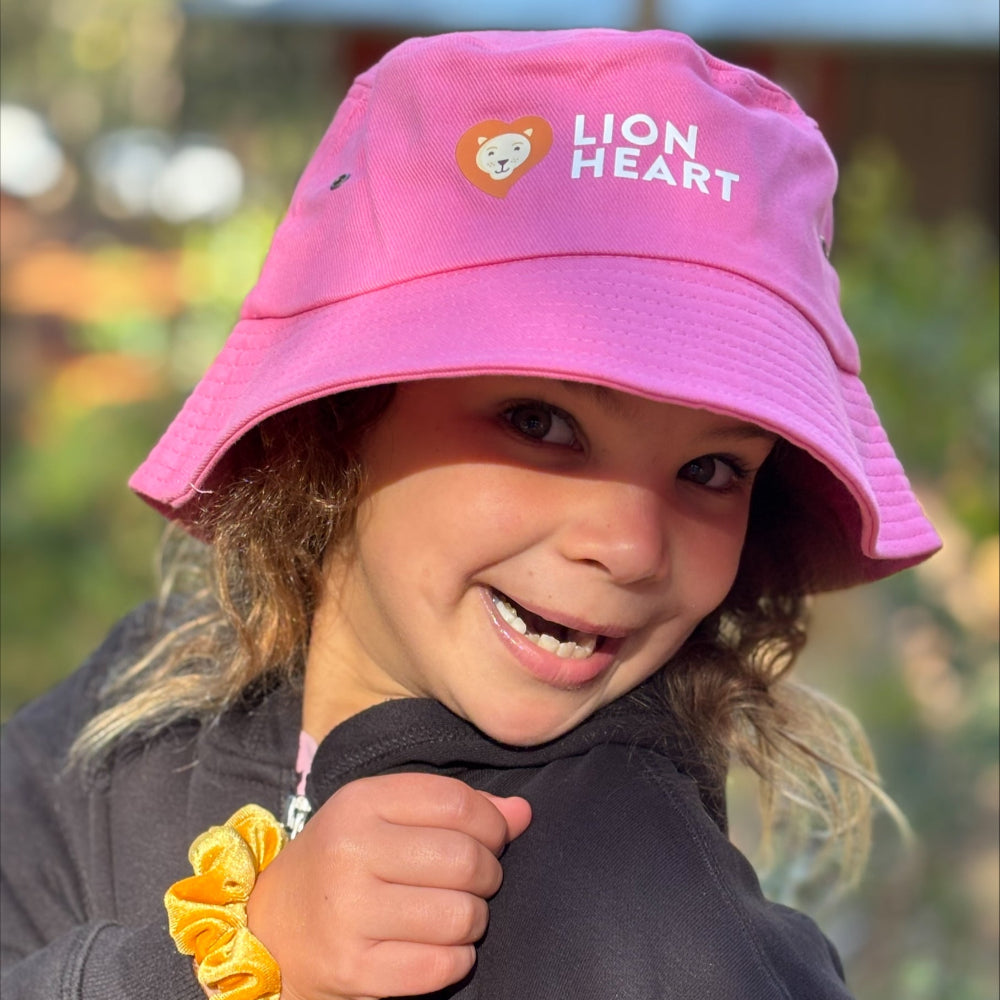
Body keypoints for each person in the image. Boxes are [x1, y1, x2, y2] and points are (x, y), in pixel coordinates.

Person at [0, 28, 942, 1000]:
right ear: (342, 415)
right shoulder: (133, 719)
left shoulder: (662, 928)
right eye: (541, 423)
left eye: (709, 469)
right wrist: (246, 955)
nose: (626, 546)